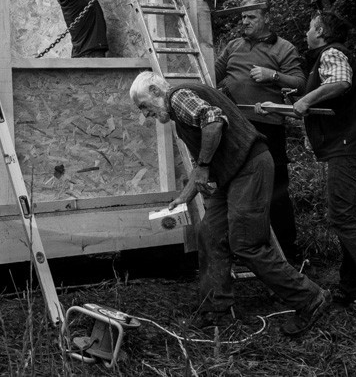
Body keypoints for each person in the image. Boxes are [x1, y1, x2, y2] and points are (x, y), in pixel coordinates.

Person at [129, 70, 330, 335]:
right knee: (209, 233)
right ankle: (215, 310)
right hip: (233, 173)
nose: (146, 114)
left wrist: (202, 167)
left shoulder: (177, 97)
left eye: (144, 106)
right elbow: (203, 164)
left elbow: (213, 119)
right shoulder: (181, 109)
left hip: (249, 166)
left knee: (247, 244)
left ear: (156, 91)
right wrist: (183, 197)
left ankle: (309, 298)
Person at [293, 10, 356, 314]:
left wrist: (306, 100)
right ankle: (351, 288)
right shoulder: (328, 56)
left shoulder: (332, 53)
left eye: (311, 28)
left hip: (348, 148)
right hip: (352, 147)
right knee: (347, 216)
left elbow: (340, 83)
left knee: (342, 218)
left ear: (322, 31)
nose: (306, 33)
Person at [215, 0, 304, 263]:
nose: (245, 21)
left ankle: (288, 255)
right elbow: (212, 74)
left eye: (251, 16)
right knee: (235, 188)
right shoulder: (233, 46)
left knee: (275, 191)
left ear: (266, 17)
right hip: (235, 127)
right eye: (242, 17)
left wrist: (273, 76)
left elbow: (300, 83)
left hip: (268, 127)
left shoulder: (283, 48)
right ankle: (243, 250)